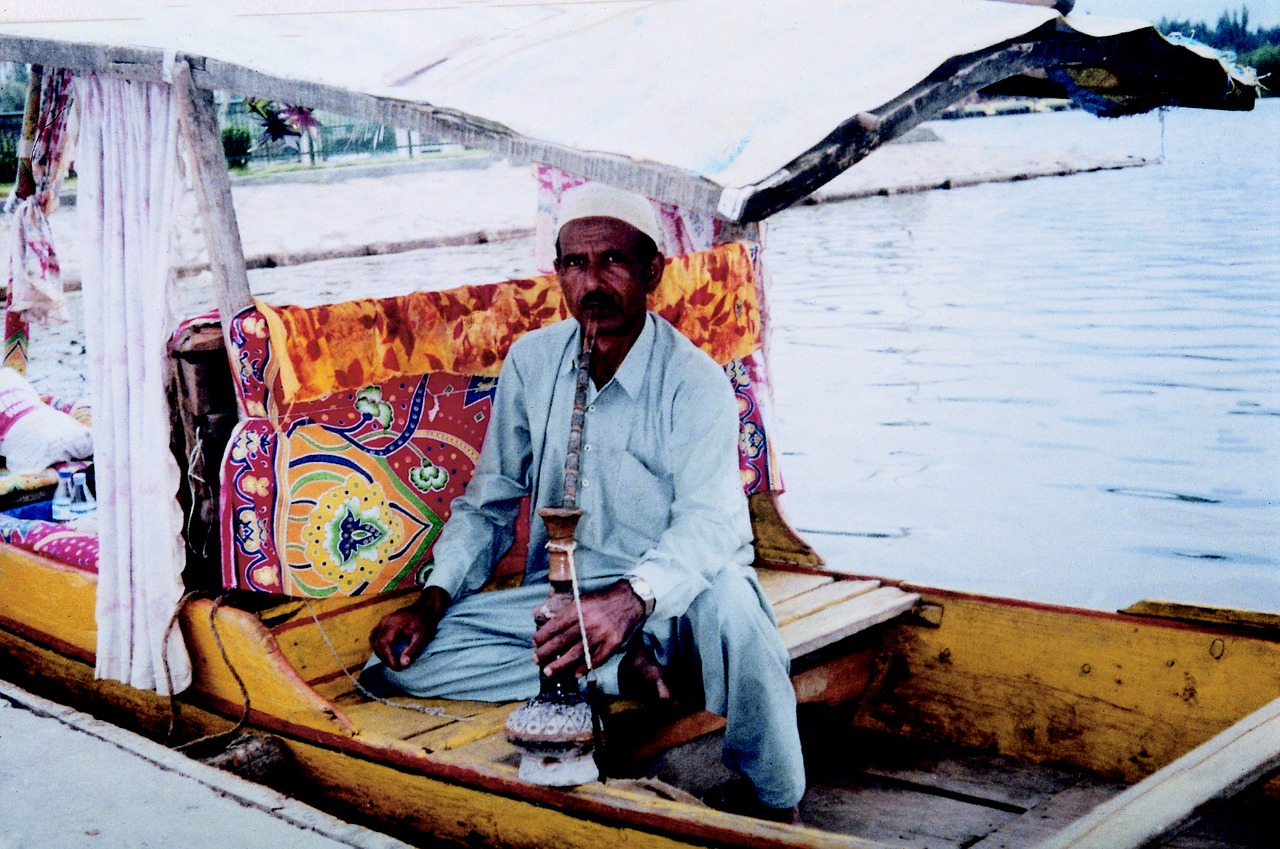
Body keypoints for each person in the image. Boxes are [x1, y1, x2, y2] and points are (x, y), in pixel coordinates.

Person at [366, 182, 804, 821]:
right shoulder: (532, 363)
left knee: (741, 619)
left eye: (612, 261)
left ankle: (778, 803)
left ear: (652, 269)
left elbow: (710, 525)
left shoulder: (696, 381)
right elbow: (489, 503)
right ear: (559, 273)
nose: (591, 281)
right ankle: (620, 674)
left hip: (677, 590)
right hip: (566, 597)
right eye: (575, 263)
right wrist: (432, 602)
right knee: (404, 666)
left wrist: (630, 602)